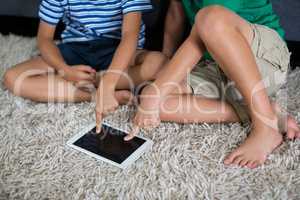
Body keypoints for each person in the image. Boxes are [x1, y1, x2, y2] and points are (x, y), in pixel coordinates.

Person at [125, 0, 300, 168]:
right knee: (156, 102)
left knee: (209, 17)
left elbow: (206, 28)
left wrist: (157, 92)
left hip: (263, 59)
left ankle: (265, 127)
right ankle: (266, 111)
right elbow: (175, 15)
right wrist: (165, 75)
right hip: (216, 64)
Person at [3, 0, 167, 109]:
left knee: (159, 64)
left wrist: (109, 82)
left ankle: (99, 82)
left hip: (118, 51)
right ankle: (93, 95)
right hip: (76, 48)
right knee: (13, 77)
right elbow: (44, 39)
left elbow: (130, 36)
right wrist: (65, 70)